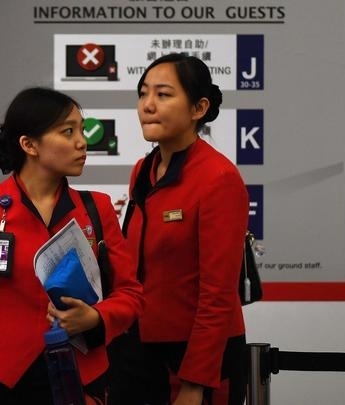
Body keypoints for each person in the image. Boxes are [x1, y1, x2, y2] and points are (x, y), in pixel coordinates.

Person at [0, 87, 143, 404]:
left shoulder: (97, 208)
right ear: (29, 144)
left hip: (82, 377)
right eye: (68, 131)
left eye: (81, 129)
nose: (82, 141)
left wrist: (95, 317)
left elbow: (130, 294)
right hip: (1, 379)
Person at [112, 53, 249, 405]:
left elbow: (219, 294)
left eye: (163, 94)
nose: (148, 105)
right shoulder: (143, 170)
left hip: (194, 359)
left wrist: (195, 381)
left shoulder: (219, 178)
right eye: (143, 94)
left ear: (198, 108)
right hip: (137, 349)